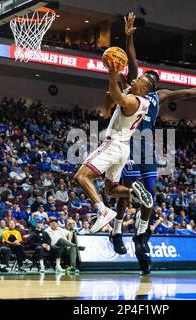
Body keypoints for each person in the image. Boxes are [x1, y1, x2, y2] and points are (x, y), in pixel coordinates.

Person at [108, 12, 196, 275]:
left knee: (150, 193)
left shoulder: (158, 95)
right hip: (128, 141)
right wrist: (129, 36)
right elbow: (132, 60)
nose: (137, 78)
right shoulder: (133, 85)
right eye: (138, 77)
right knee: (129, 189)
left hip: (147, 145)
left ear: (150, 85)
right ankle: (117, 230)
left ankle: (141, 235)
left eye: (143, 79)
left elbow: (188, 92)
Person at [73, 31, 156, 234]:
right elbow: (129, 73)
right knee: (111, 190)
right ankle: (134, 192)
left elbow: (116, 95)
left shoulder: (133, 101)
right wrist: (118, 62)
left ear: (144, 89)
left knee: (81, 177)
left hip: (113, 145)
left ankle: (103, 212)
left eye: (140, 81)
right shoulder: (140, 96)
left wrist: (112, 75)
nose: (135, 80)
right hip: (123, 149)